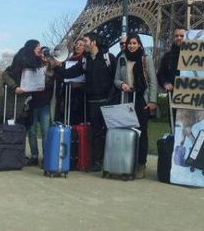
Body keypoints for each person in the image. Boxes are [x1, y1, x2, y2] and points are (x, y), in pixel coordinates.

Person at [55, 32, 116, 172]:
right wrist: (57, 67)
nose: (84, 43)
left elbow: (115, 78)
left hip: (107, 101)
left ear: (93, 42)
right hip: (92, 101)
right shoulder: (85, 60)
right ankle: (96, 161)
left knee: (108, 132)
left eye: (86, 41)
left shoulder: (108, 58)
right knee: (95, 132)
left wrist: (111, 97)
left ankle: (110, 160)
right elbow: (70, 73)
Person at [114, 34, 158, 179]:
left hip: (141, 100)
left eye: (134, 43)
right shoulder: (122, 58)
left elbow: (152, 81)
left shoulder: (146, 59)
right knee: (127, 132)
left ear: (139, 44)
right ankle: (127, 163)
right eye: (129, 44)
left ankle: (140, 164)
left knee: (141, 132)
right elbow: (116, 79)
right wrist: (122, 84)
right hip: (126, 98)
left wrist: (152, 101)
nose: (131, 46)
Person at [2, 39, 48, 166]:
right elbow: (6, 74)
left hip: (39, 101)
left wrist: (47, 64)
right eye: (37, 47)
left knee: (40, 130)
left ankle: (43, 156)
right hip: (23, 102)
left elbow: (49, 78)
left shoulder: (42, 62)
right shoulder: (21, 62)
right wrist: (15, 87)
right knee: (26, 130)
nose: (40, 49)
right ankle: (18, 156)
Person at [56, 38, 86, 125]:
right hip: (67, 92)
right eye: (77, 44)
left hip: (80, 93)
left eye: (81, 44)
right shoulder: (68, 58)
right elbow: (64, 74)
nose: (78, 46)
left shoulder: (85, 59)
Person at [157, 26, 186, 93]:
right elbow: (161, 74)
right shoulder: (167, 56)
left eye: (182, 36)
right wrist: (165, 83)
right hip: (174, 96)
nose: (179, 38)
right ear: (173, 38)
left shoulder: (195, 55)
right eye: (176, 36)